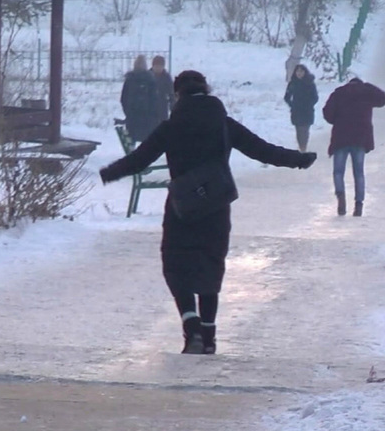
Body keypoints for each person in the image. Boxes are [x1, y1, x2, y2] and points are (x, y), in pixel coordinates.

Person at [100, 70, 317, 355]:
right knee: (210, 267)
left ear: (177, 94)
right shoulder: (223, 123)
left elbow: (140, 159)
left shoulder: (172, 125)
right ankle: (210, 336)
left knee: (176, 265)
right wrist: (298, 160)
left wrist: (110, 172)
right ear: (206, 89)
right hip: (216, 206)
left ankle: (192, 330)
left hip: (182, 208)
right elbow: (261, 150)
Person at [322, 74, 385, 217]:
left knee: (338, 171)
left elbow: (327, 113)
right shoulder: (366, 92)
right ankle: (358, 204)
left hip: (341, 137)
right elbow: (383, 98)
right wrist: (367, 86)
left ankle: (341, 198)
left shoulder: (339, 92)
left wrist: (338, 121)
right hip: (360, 138)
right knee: (359, 172)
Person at [121, 55, 161, 142]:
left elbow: (123, 98)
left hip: (139, 116)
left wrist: (127, 111)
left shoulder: (133, 79)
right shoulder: (148, 79)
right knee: (142, 140)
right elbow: (124, 97)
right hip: (140, 115)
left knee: (135, 139)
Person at [284, 64, 319, 153]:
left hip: (307, 111)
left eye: (301, 71)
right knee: (298, 130)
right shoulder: (292, 83)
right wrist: (292, 105)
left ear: (305, 72)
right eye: (297, 71)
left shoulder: (310, 83)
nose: (299, 73)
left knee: (305, 130)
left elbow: (315, 97)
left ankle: (303, 148)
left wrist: (309, 104)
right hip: (296, 111)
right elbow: (287, 97)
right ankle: (301, 147)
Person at [151, 55, 175, 120]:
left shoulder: (166, 77)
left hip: (162, 108)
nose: (158, 68)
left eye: (160, 66)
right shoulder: (147, 77)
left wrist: (172, 105)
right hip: (149, 109)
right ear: (153, 66)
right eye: (156, 66)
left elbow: (171, 93)